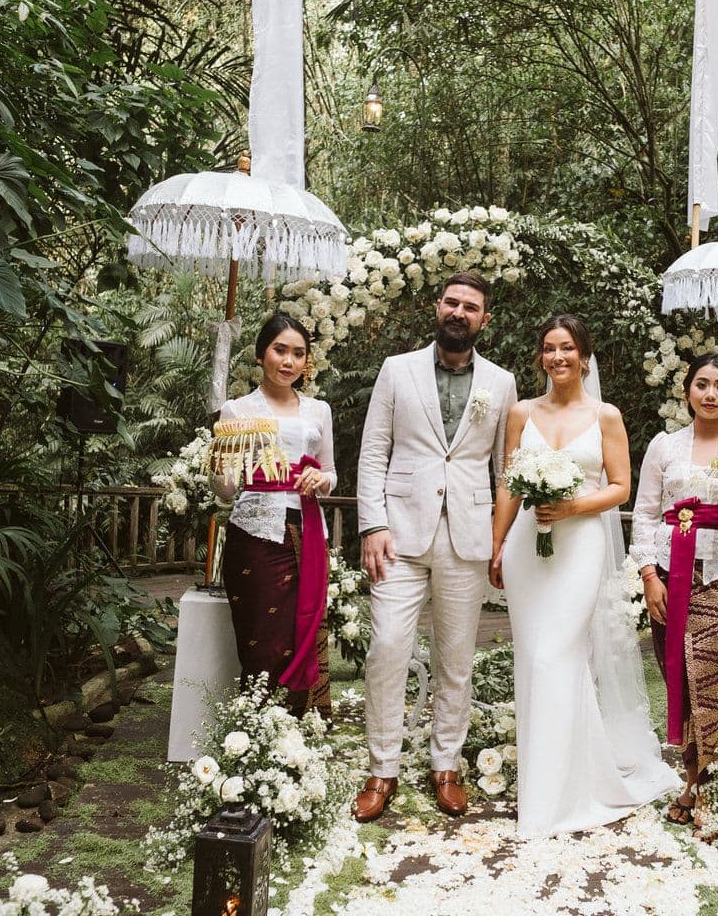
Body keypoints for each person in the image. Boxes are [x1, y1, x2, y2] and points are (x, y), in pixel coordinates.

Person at [492, 315, 681, 838]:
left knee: (558, 653)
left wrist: (571, 507)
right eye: (549, 348)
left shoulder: (606, 416)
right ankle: (551, 780)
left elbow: (620, 488)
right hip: (528, 546)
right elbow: (510, 483)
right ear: (540, 357)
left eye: (568, 348)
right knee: (535, 659)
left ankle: (557, 798)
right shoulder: (520, 412)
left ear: (584, 356)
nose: (558, 357)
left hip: (579, 546)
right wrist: (496, 541)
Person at [353, 272, 518, 822]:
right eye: (451, 302)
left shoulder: (501, 382)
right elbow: (374, 451)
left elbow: (505, 470)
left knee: (455, 659)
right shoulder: (396, 370)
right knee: (387, 650)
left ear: (484, 320)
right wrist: (372, 525)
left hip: (467, 536)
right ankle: (383, 768)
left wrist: (499, 541)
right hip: (398, 534)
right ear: (436, 307)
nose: (459, 312)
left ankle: (445, 765)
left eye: (471, 307)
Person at [630, 353, 718, 828]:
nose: (711, 394)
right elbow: (646, 513)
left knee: (710, 679)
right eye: (702, 384)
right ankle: (692, 773)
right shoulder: (664, 447)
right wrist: (648, 575)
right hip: (669, 573)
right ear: (687, 390)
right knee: (678, 677)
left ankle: (704, 784)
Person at [212, 314, 337, 717]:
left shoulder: (319, 411)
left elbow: (331, 472)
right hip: (254, 535)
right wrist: (218, 463)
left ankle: (299, 730)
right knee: (261, 638)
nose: (289, 361)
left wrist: (320, 478)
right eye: (280, 350)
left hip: (305, 531)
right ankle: (257, 737)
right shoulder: (236, 410)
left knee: (301, 629)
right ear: (260, 354)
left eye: (298, 354)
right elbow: (227, 490)